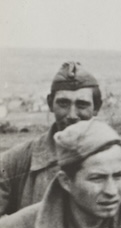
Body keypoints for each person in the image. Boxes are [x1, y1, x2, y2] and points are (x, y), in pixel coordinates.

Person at [0, 62, 103, 216]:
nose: (72, 115)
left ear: (96, 108)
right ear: (50, 103)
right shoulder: (14, 162)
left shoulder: (112, 161)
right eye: (63, 103)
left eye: (82, 105)